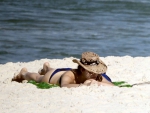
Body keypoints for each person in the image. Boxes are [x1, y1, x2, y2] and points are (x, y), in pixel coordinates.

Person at [12, 52, 114, 88]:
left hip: (62, 71)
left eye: (96, 71)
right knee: (38, 78)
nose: (94, 74)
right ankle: (24, 73)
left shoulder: (96, 76)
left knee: (49, 69)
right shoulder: (70, 75)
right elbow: (64, 85)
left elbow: (112, 86)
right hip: (53, 76)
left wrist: (96, 82)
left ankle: (46, 67)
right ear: (83, 70)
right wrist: (84, 85)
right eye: (91, 71)